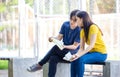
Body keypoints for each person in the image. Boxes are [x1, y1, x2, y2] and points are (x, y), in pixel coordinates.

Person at [27, 9, 80, 77]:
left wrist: (64, 46)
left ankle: (39, 64)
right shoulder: (65, 24)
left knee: (56, 48)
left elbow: (74, 46)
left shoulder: (79, 30)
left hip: (72, 56)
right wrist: (52, 39)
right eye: (71, 19)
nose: (71, 22)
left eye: (74, 20)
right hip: (63, 53)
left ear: (78, 21)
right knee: (53, 58)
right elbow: (59, 38)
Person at [70, 11, 107, 77]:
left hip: (101, 54)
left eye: (77, 19)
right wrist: (76, 55)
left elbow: (91, 45)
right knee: (73, 59)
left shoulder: (93, 27)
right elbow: (81, 48)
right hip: (92, 53)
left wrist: (79, 55)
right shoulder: (82, 31)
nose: (76, 22)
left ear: (82, 19)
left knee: (81, 59)